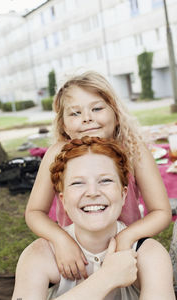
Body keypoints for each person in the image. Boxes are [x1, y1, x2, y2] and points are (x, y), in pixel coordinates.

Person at [25, 71, 171, 280]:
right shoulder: (57, 155)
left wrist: (125, 238)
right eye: (75, 113)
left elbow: (161, 211)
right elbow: (34, 212)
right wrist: (61, 240)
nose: (87, 118)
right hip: (76, 256)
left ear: (116, 113)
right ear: (63, 124)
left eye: (97, 108)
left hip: (125, 252)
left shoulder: (134, 151)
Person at [12, 137, 175, 299]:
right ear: (63, 200)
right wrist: (107, 278)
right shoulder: (39, 255)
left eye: (105, 180)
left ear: (123, 194)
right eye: (77, 183)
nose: (92, 192)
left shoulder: (151, 255)